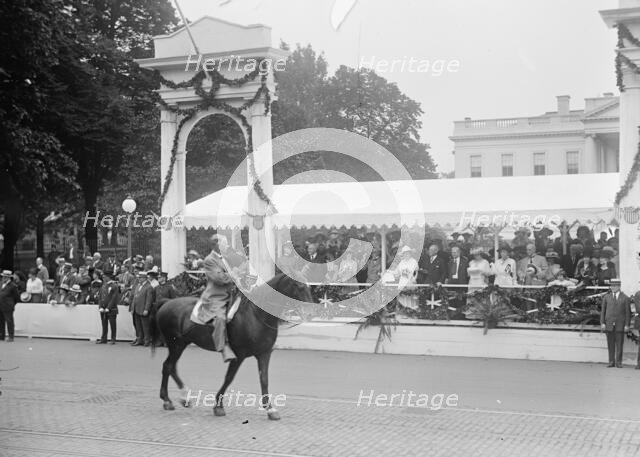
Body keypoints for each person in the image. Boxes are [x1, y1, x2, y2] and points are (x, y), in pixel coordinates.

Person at [194, 234, 242, 362]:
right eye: (225, 243)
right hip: (216, 297)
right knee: (220, 319)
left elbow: (232, 275)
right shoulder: (209, 260)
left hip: (231, 293)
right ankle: (223, 347)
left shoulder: (224, 258)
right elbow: (219, 278)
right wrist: (234, 273)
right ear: (217, 245)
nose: (227, 246)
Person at [600, 279, 630, 368]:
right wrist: (602, 323)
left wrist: (627, 325)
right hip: (609, 324)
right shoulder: (606, 297)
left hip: (620, 325)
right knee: (610, 344)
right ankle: (611, 361)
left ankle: (619, 362)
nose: (612, 287)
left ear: (619, 287)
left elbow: (628, 313)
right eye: (611, 286)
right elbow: (603, 311)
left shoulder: (625, 298)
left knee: (619, 344)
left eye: (614, 286)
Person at [390, 246, 419, 310]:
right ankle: (403, 311)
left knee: (411, 298)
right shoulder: (402, 262)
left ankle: (412, 311)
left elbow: (416, 273)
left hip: (410, 282)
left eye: (407, 253)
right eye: (405, 253)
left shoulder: (413, 261)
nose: (406, 254)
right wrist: (389, 272)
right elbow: (397, 272)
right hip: (402, 282)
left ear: (410, 253)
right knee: (402, 298)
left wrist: (413, 279)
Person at [96, 271, 120, 344]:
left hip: (111, 309)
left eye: (104, 277)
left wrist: (108, 308)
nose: (103, 278)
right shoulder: (103, 285)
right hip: (103, 308)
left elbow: (114, 298)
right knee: (104, 324)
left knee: (113, 325)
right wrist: (100, 306)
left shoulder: (114, 286)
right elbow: (100, 297)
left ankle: (113, 339)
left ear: (108, 277)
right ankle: (104, 338)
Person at [131, 271, 153, 346]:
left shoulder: (149, 287)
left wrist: (146, 309)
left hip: (143, 309)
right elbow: (135, 297)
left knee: (145, 326)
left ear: (145, 278)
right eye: (139, 277)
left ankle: (147, 340)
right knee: (138, 326)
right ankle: (140, 339)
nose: (139, 279)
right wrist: (132, 308)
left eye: (140, 278)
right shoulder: (138, 286)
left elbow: (149, 300)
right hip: (136, 309)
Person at [0, 270, 20, 342]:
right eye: (2, 277)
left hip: (8, 306)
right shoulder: (1, 283)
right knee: (1, 321)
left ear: (8, 277)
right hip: (1, 305)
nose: (2, 278)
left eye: (4, 277)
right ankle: (2, 335)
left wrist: (11, 304)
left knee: (9, 321)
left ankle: (11, 336)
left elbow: (17, 297)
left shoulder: (13, 286)